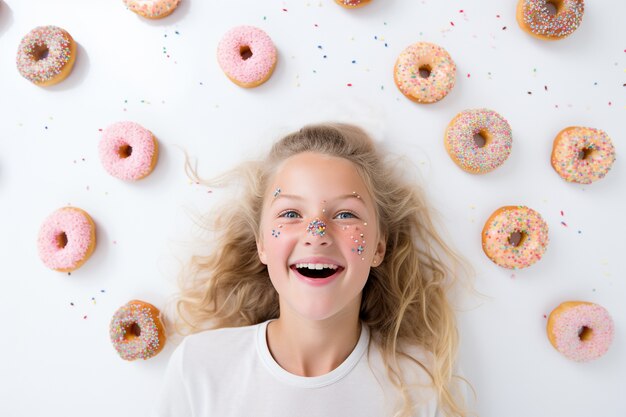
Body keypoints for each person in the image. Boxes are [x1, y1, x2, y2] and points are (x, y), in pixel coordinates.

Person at [154, 123, 471, 417]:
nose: (317, 233)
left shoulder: (418, 381)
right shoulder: (200, 366)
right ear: (261, 243)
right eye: (291, 212)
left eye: (346, 214)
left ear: (378, 247)